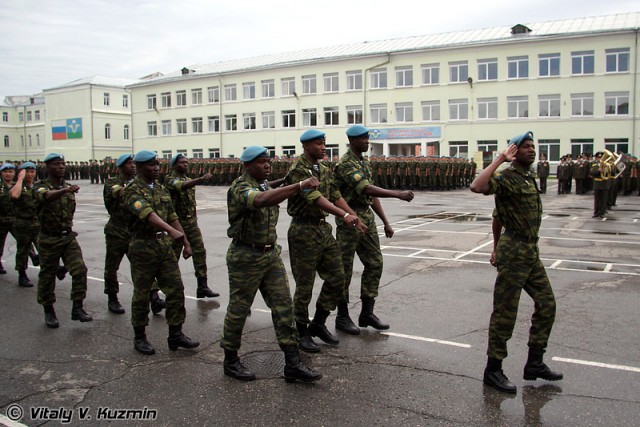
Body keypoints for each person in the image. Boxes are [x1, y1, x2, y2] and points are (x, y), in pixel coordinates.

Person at [470, 131, 563, 394]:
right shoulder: (506, 176)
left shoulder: (527, 177)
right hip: (514, 252)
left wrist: (494, 246)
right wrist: (500, 159)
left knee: (547, 304)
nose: (532, 150)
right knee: (505, 312)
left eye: (533, 146)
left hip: (530, 251)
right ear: (514, 151)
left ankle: (535, 363)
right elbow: (477, 187)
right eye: (526, 147)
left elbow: (498, 216)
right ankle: (493, 370)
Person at [221, 145, 322, 383]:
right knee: (238, 310)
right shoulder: (240, 188)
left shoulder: (263, 183)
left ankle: (293, 363)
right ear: (247, 165)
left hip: (270, 256)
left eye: (269, 161)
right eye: (261, 162)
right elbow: (261, 199)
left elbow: (269, 188)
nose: (267, 165)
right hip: (245, 257)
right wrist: (297, 186)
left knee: (284, 308)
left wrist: (286, 181)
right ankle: (230, 360)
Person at [286, 129, 366, 353]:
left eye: (324, 143)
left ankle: (318, 323)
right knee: (305, 286)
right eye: (319, 144)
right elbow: (316, 199)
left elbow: (335, 195)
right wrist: (343, 216)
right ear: (306, 146)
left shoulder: (323, 168)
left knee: (338, 278)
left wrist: (353, 216)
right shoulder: (298, 169)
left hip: (323, 230)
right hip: (303, 231)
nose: (323, 147)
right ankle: (301, 333)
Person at [330, 125, 414, 335]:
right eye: (364, 139)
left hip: (365, 215)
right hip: (349, 218)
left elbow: (371, 194)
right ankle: (342, 317)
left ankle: (367, 313)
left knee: (375, 262)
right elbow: (365, 188)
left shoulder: (363, 162)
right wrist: (397, 194)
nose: (368, 141)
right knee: (345, 270)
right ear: (352, 141)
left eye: (368, 138)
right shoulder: (346, 163)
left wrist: (385, 221)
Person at [123, 150, 199, 355]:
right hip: (142, 247)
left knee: (175, 289)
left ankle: (176, 334)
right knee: (142, 294)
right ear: (139, 167)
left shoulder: (161, 188)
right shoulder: (131, 190)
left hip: (163, 246)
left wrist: (185, 241)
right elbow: (147, 214)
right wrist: (171, 231)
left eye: (157, 164)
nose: (156, 168)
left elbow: (173, 215)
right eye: (150, 165)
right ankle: (140, 337)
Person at [34, 153, 92, 328]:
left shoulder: (68, 187)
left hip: (67, 237)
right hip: (48, 238)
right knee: (47, 275)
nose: (61, 167)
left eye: (63, 164)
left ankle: (77, 307)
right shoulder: (40, 186)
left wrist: (66, 190)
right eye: (57, 164)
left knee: (80, 270)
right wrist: (64, 191)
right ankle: (49, 310)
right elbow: (47, 196)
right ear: (47, 167)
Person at [103, 154, 165, 315]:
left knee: (143, 268)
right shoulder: (112, 183)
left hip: (134, 232)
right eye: (128, 163)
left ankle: (154, 298)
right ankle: (112, 297)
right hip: (117, 231)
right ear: (121, 166)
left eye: (133, 163)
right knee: (112, 267)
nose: (131, 166)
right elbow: (124, 193)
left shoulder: (141, 184)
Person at [164, 153, 219, 298]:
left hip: (191, 223)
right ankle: (164, 289)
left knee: (200, 252)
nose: (186, 165)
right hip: (176, 223)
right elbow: (181, 187)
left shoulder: (188, 180)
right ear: (174, 165)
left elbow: (191, 202)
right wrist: (200, 179)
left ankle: (202, 286)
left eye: (187, 162)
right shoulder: (170, 179)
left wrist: (194, 218)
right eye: (182, 163)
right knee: (171, 257)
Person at [9, 162, 39, 287]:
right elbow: (15, 195)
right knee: (23, 250)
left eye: (32, 172)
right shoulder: (16, 186)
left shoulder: (37, 186)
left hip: (37, 223)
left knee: (44, 247)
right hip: (22, 223)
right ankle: (22, 275)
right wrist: (20, 179)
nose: (30, 174)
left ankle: (51, 271)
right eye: (27, 172)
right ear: (21, 172)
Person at [0, 163, 17, 275]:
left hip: (16, 220)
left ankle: (33, 257)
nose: (8, 174)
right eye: (5, 172)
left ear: (14, 173)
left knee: (24, 241)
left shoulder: (18, 185)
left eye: (10, 171)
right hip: (1, 220)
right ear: (1, 173)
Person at [590, 152, 608, 218]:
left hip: (604, 183)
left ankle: (602, 212)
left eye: (601, 157)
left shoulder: (606, 164)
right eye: (598, 157)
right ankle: (596, 212)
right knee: (597, 199)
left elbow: (611, 173)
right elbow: (592, 172)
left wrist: (605, 170)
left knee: (603, 199)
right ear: (596, 158)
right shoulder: (594, 164)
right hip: (597, 183)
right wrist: (598, 170)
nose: (600, 159)